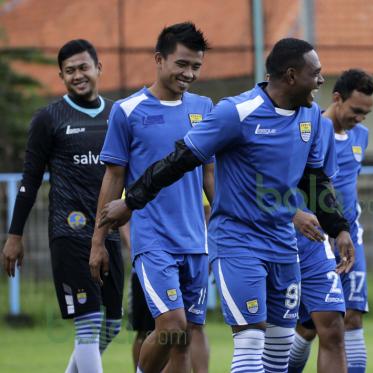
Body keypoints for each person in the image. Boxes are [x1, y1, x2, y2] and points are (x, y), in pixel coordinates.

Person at [95, 37, 355, 373]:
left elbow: (314, 177)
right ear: (291, 76)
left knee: (278, 348)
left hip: (283, 245)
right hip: (238, 243)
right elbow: (181, 159)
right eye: (315, 73)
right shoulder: (236, 112)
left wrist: (339, 228)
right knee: (246, 340)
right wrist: (131, 202)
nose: (322, 80)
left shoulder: (313, 119)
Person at [89, 22, 215, 373]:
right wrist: (98, 241)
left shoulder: (204, 108)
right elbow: (113, 179)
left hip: (196, 241)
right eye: (182, 64)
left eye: (196, 67)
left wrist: (228, 221)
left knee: (185, 338)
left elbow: (210, 175)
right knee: (172, 327)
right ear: (159, 60)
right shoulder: (127, 111)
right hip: (153, 241)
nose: (188, 73)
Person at [1, 39, 122, 373]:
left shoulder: (119, 115)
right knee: (88, 323)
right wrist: (15, 235)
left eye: (84, 67)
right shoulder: (49, 118)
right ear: (61, 76)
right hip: (68, 233)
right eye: (70, 71)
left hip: (107, 233)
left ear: (99, 68)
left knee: (112, 325)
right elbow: (29, 180)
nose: (78, 75)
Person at [288, 68, 373, 373]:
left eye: (366, 112)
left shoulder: (361, 136)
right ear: (337, 99)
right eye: (355, 110)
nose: (360, 118)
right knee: (310, 324)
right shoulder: (311, 130)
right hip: (313, 239)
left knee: (351, 316)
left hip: (350, 238)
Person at [123, 192, 212, 371]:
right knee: (150, 329)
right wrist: (133, 246)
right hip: (152, 258)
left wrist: (208, 248)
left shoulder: (195, 169)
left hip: (191, 255)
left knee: (186, 334)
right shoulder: (141, 170)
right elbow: (123, 208)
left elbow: (208, 209)